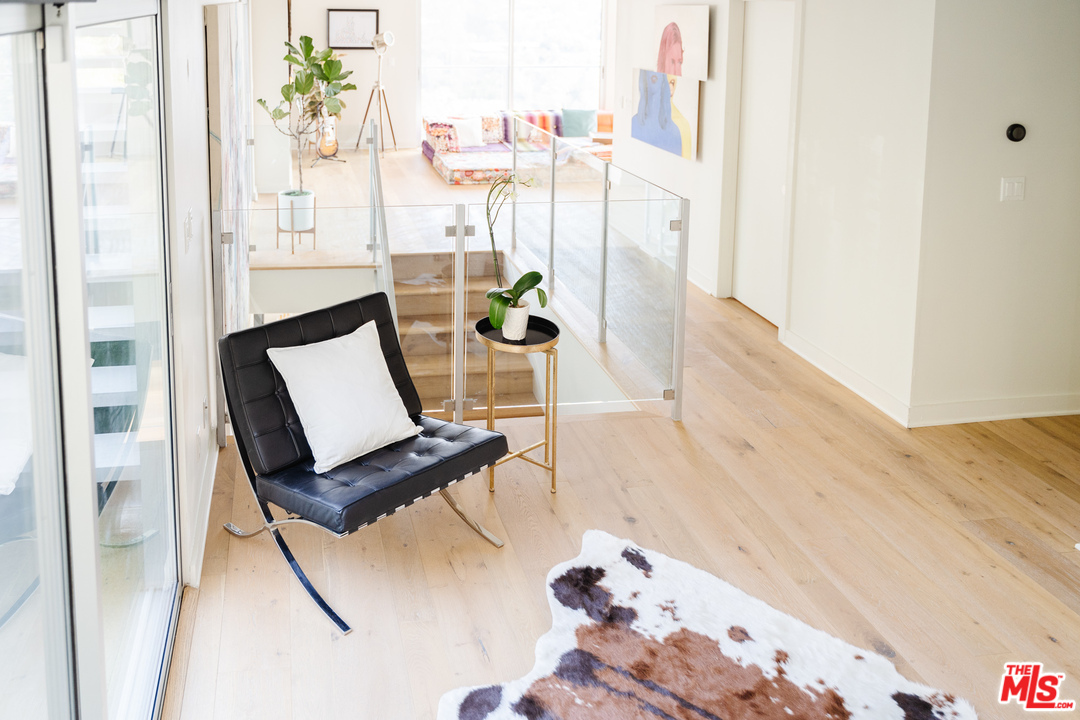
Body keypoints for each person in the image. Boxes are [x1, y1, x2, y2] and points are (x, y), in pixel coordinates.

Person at [656, 22, 691, 159]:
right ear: (662, 60)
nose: (677, 72)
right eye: (672, 62)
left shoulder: (683, 126)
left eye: (680, 63)